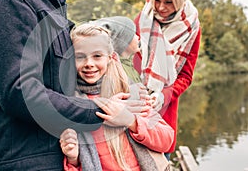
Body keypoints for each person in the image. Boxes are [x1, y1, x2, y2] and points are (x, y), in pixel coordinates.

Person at [0, 0, 143, 170]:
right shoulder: (13, 2)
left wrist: (126, 94)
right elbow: (20, 92)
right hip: (28, 160)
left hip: (58, 156)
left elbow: (67, 78)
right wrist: (100, 109)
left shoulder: (51, 5)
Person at [59, 23, 174, 170]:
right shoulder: (72, 105)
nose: (89, 63)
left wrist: (131, 121)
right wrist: (73, 159)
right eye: (80, 57)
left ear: (110, 57)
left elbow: (167, 140)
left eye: (97, 56)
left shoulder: (129, 93)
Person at [133, 0, 201, 160]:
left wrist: (162, 96)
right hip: (134, 108)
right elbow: (125, 60)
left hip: (164, 113)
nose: (160, 7)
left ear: (180, 0)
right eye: (157, 0)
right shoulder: (143, 18)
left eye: (169, 2)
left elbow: (186, 77)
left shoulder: (192, 28)